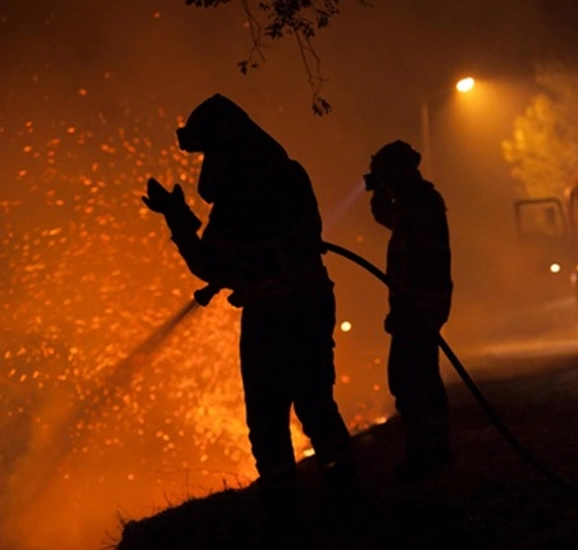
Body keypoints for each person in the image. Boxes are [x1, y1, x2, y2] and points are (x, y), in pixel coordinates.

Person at [142, 94, 355, 518]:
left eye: (209, 151)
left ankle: (282, 502)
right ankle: (345, 488)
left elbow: (209, 263)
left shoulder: (238, 197)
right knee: (315, 400)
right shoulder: (290, 174)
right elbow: (283, 244)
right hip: (312, 302)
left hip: (272, 316)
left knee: (267, 410)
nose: (207, 163)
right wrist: (246, 273)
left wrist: (177, 219)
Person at [365, 140, 453, 481]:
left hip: (418, 306)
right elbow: (384, 215)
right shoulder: (416, 202)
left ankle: (425, 455)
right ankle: (435, 452)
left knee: (409, 379)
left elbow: (415, 264)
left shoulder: (418, 206)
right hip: (422, 305)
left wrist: (405, 309)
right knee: (420, 377)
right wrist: (378, 191)